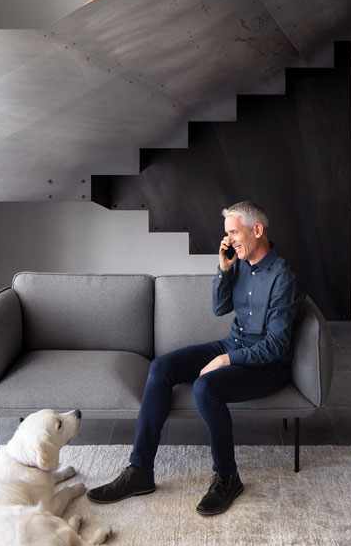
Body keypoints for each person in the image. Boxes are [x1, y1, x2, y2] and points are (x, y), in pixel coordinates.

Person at [87, 201, 305, 516]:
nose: (228, 240)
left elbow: (276, 346)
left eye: (234, 232)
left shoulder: (283, 277)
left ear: (257, 230)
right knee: (161, 367)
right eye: (227, 233)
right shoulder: (240, 262)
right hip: (234, 344)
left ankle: (228, 478)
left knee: (206, 387)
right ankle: (140, 471)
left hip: (268, 365)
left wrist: (226, 360)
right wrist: (224, 269)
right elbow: (219, 307)